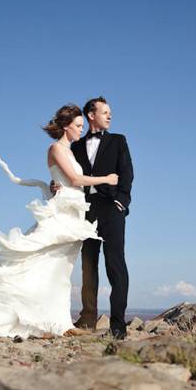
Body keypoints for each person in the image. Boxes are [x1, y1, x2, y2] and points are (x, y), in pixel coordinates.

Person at [0, 104, 118, 338]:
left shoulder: (69, 151)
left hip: (74, 211)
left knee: (61, 269)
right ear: (66, 126)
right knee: (45, 261)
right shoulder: (55, 148)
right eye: (78, 126)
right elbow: (73, 178)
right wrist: (107, 179)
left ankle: (59, 322)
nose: (81, 130)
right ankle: (41, 320)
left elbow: (65, 180)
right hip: (62, 213)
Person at [67, 96, 134, 340]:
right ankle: (88, 320)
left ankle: (118, 324)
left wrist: (121, 202)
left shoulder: (118, 141)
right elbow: (70, 177)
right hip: (86, 210)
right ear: (90, 115)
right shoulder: (75, 147)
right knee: (88, 267)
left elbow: (127, 172)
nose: (109, 116)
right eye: (104, 112)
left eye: (110, 112)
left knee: (115, 266)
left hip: (111, 208)